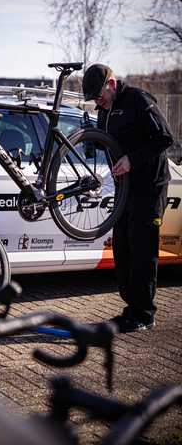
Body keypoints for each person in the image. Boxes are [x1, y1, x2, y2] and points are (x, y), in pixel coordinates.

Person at [82, 64, 174, 333]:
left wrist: (131, 160)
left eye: (99, 95)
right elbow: (108, 143)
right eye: (93, 99)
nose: (97, 101)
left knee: (143, 252)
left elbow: (164, 137)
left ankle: (144, 314)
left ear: (111, 83)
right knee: (123, 251)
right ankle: (130, 309)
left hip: (149, 186)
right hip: (124, 189)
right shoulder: (103, 111)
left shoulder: (137, 99)